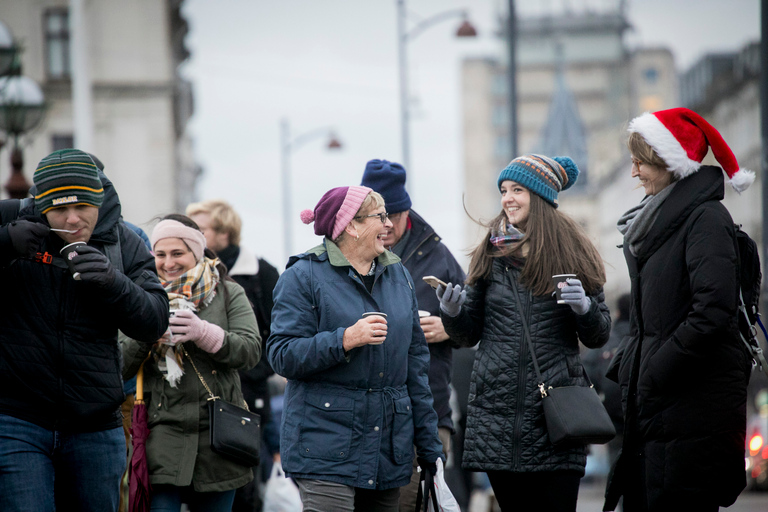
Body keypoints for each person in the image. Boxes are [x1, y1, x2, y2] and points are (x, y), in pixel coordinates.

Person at [437, 154, 611, 512]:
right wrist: (452, 312)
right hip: (498, 419)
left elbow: (599, 334)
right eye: (503, 190)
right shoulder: (491, 251)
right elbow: (468, 334)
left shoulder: (574, 252)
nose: (507, 198)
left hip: (556, 420)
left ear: (541, 196)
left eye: (517, 189)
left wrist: (585, 309)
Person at [0, 148, 170, 511]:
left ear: (99, 198)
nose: (73, 219)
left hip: (95, 426)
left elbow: (154, 321)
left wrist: (113, 283)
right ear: (40, 203)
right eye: (60, 209)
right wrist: (4, 245)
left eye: (83, 207)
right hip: (17, 419)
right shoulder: (12, 225)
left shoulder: (124, 241)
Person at [603, 108, 755, 512]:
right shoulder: (660, 224)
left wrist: (655, 370)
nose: (634, 173)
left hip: (689, 409)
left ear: (669, 163)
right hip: (663, 412)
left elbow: (712, 311)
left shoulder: (704, 220)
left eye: (641, 162)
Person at [268, 185, 444, 512]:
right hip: (324, 450)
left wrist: (430, 447)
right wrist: (345, 339)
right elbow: (282, 355)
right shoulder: (302, 276)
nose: (389, 223)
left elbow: (416, 369)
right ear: (351, 225)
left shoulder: (399, 275)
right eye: (380, 216)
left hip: (387, 451)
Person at [121, 214, 261, 512]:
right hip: (162, 435)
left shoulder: (227, 292)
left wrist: (203, 333)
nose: (168, 263)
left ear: (196, 252)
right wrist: (147, 332)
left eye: (178, 253)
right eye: (160, 254)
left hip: (220, 437)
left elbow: (250, 351)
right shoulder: (141, 296)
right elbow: (119, 364)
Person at [359, 159, 466, 511]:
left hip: (428, 411)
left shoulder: (440, 257)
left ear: (407, 211)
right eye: (375, 217)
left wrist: (448, 328)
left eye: (392, 215)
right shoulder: (345, 257)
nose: (385, 226)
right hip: (362, 414)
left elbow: (474, 325)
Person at [186, 199, 280, 512]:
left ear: (225, 232)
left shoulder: (261, 273)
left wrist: (248, 371)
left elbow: (278, 335)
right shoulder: (183, 271)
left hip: (246, 398)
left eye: (201, 229)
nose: (193, 236)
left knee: (243, 490)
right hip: (192, 400)